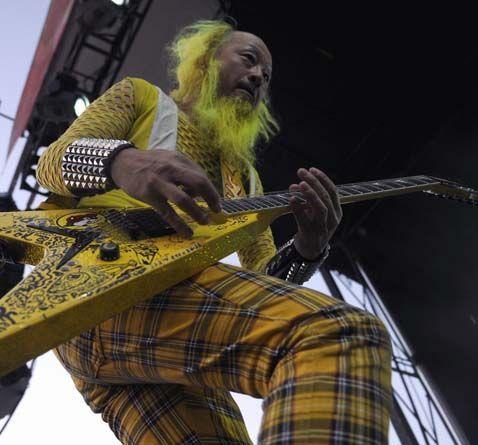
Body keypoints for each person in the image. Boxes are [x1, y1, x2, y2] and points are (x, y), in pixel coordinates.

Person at [37, 20, 392, 445]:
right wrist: (123, 162)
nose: (260, 76)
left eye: (268, 75)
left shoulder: (244, 179)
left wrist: (308, 249)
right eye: (249, 59)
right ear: (204, 61)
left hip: (136, 335)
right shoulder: (141, 96)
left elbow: (267, 285)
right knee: (335, 335)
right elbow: (51, 163)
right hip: (97, 280)